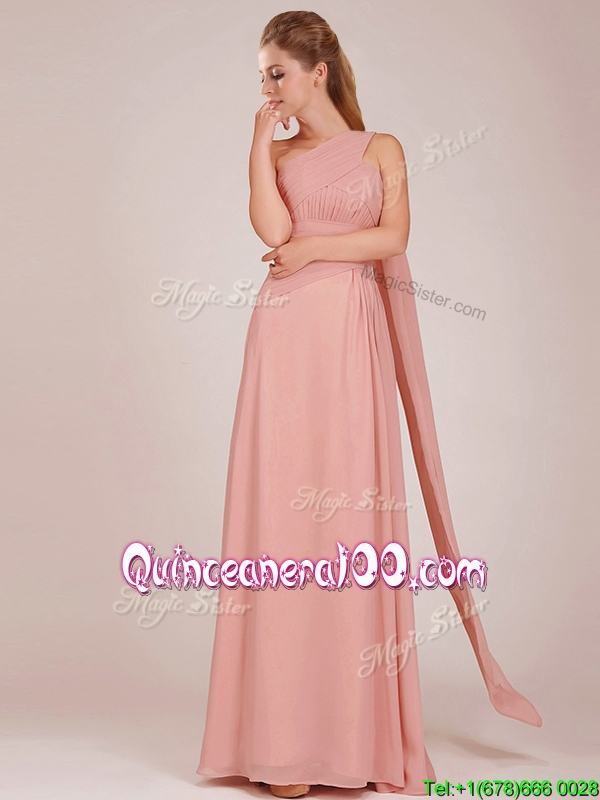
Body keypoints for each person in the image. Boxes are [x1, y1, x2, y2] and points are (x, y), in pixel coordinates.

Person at [197, 11, 541, 798]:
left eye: (277, 72)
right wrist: (257, 142)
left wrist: (316, 249)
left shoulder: (381, 148)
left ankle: (347, 740)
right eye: (261, 75)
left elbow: (392, 237)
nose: (267, 87)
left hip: (351, 334)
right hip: (284, 338)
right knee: (282, 519)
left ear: (317, 71)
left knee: (348, 515)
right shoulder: (277, 152)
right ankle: (281, 745)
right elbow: (270, 227)